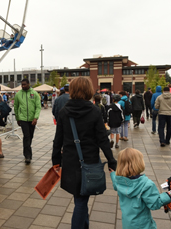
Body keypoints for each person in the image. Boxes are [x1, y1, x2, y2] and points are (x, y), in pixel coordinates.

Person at [52, 76, 117, 229]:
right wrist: (111, 160)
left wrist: (56, 161)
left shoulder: (64, 111)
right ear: (88, 90)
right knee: (81, 201)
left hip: (69, 161)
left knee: (80, 198)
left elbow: (58, 140)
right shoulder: (94, 111)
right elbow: (102, 139)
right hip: (89, 161)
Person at [110, 148, 171, 229]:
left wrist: (112, 174)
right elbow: (154, 204)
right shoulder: (146, 184)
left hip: (127, 223)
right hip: (143, 225)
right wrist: (169, 195)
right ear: (139, 163)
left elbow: (115, 185)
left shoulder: (119, 181)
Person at [14, 79, 41, 165]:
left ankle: (27, 151)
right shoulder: (18, 94)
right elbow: (16, 106)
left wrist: (35, 118)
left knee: (30, 137)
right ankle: (27, 156)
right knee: (26, 136)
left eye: (25, 84)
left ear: (29, 84)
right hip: (23, 119)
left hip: (32, 119)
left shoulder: (35, 94)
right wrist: (18, 118)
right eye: (22, 85)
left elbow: (38, 107)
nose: (23, 86)